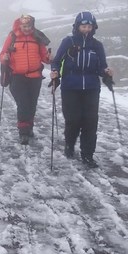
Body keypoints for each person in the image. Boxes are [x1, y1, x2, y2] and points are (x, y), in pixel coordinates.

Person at [49, 11, 113, 168]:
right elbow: (56, 61)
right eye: (83, 26)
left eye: (89, 26)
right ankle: (69, 145)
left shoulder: (97, 45)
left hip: (91, 87)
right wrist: (55, 72)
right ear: (77, 27)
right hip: (70, 86)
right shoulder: (68, 41)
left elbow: (101, 67)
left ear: (94, 27)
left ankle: (87, 155)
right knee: (73, 120)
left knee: (91, 122)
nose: (86, 29)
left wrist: (106, 72)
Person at [0, 14, 51, 145]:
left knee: (32, 104)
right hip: (17, 76)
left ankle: (29, 127)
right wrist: (4, 58)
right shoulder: (12, 36)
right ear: (19, 25)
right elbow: (3, 53)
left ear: (32, 26)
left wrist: (49, 58)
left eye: (29, 26)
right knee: (23, 104)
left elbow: (44, 57)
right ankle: (23, 132)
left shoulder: (37, 37)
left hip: (35, 77)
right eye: (24, 26)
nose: (26, 28)